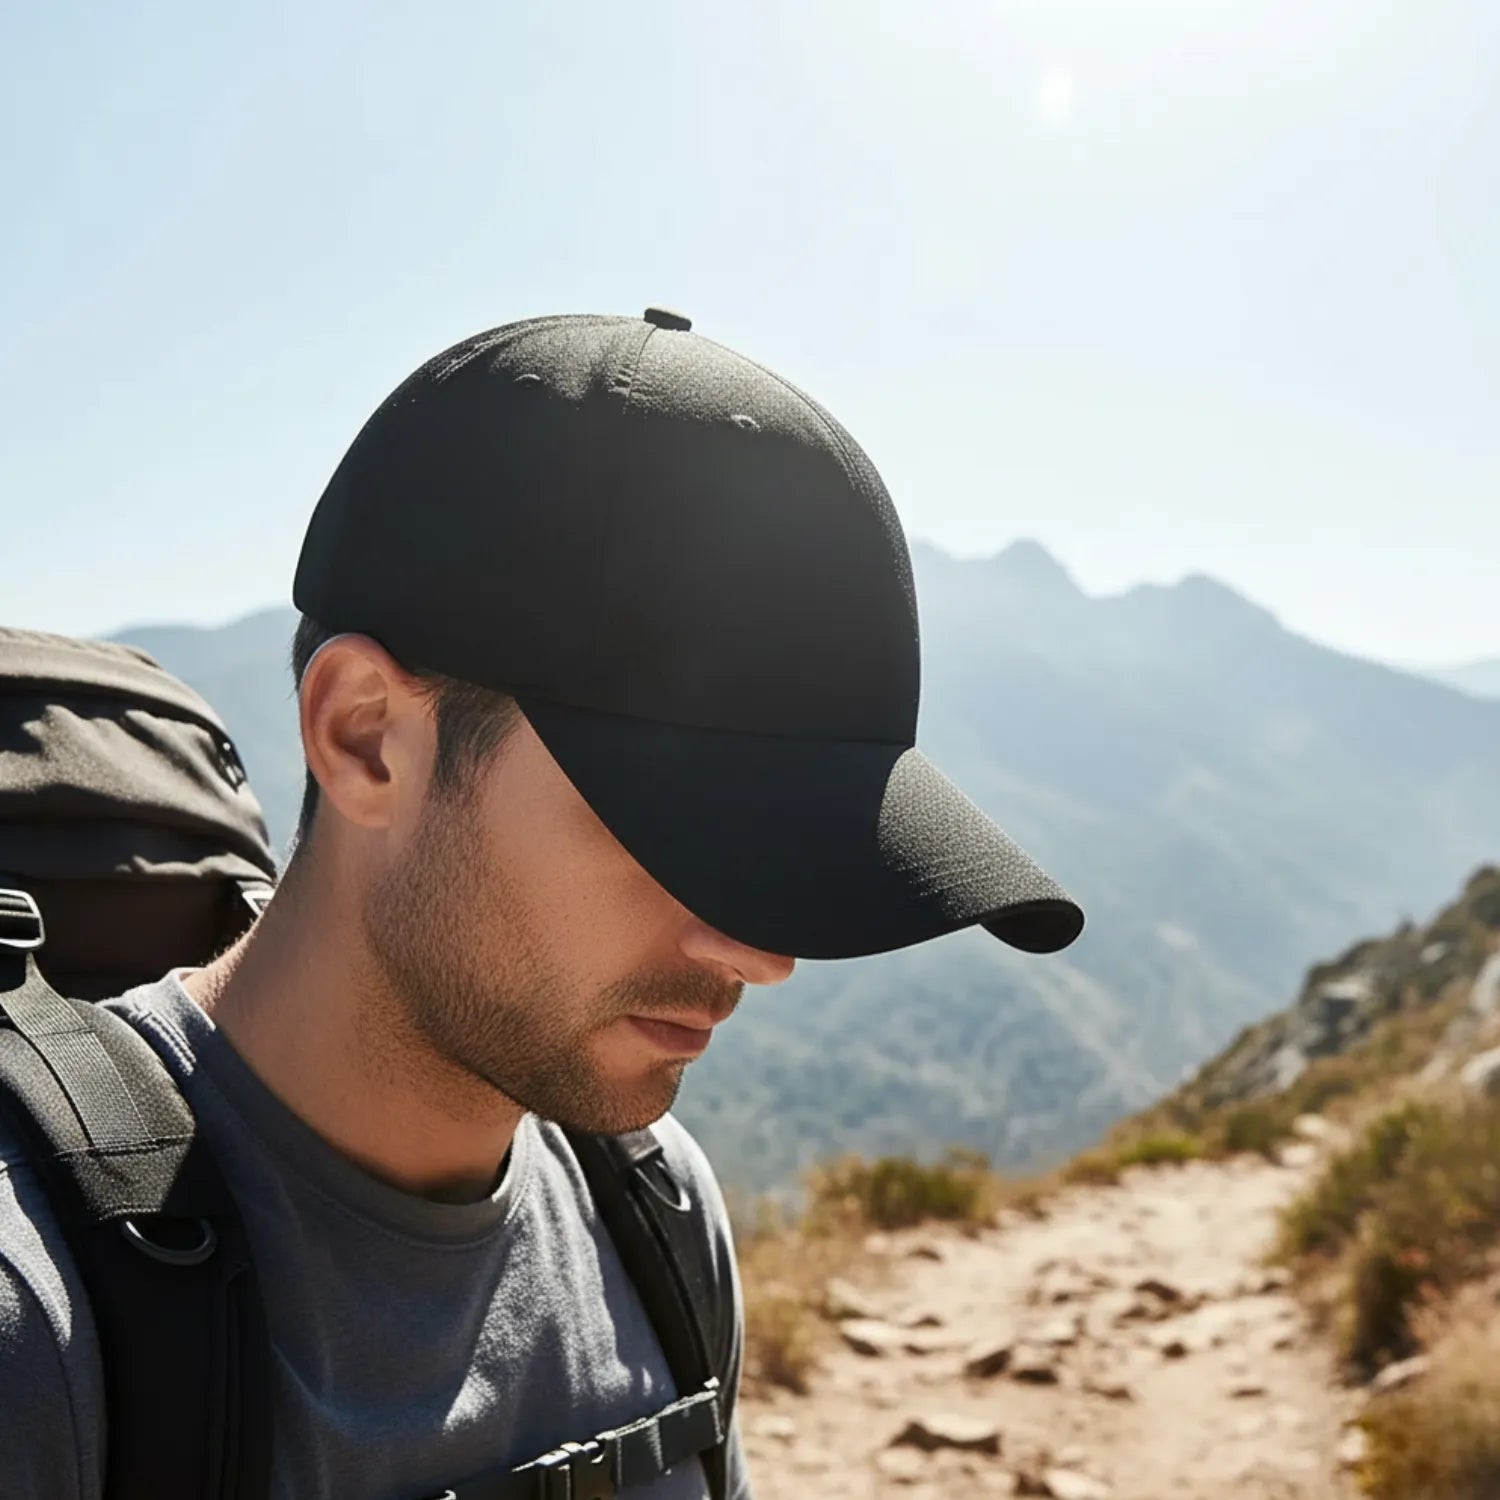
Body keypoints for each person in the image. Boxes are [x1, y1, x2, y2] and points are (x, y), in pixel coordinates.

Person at [0, 308, 1083, 1498]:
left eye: (794, 853)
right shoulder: (35, 1334)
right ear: (366, 740)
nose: (762, 953)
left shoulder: (657, 1212)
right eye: (684, 828)